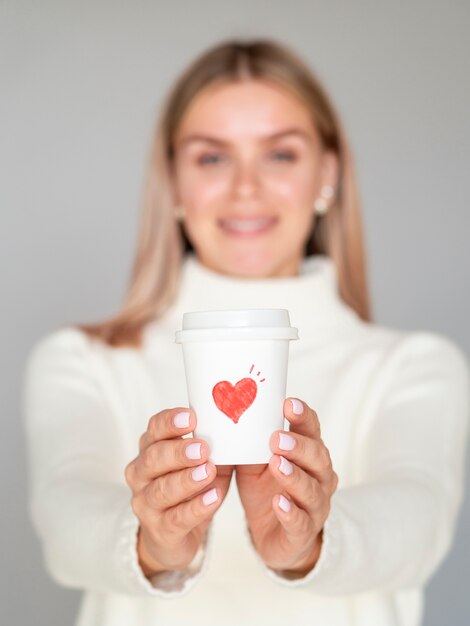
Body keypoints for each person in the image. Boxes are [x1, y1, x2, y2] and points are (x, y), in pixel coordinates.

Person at [22, 38, 470, 626]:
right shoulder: (83, 360)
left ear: (326, 173)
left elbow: (417, 523)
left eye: (280, 155)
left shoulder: (415, 367)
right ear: (173, 181)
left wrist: (311, 544)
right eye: (212, 158)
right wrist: (153, 543)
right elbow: (65, 517)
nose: (246, 188)